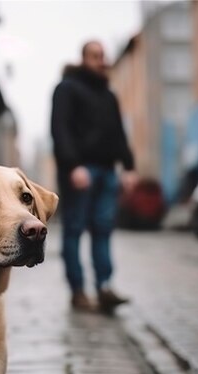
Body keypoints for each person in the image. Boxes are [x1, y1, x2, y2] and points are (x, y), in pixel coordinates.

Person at [50, 40, 137, 314]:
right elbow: (60, 129)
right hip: (81, 171)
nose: (103, 61)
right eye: (96, 56)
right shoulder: (67, 89)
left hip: (108, 171)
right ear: (83, 59)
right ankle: (78, 291)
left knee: (103, 229)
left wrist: (129, 166)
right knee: (74, 229)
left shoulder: (109, 95)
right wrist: (73, 165)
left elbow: (119, 133)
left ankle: (104, 287)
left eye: (104, 56)